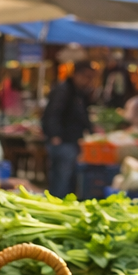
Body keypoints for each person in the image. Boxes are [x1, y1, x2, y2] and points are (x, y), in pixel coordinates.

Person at [42, 62, 96, 198]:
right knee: (61, 180)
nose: (89, 81)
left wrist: (91, 130)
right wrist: (54, 135)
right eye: (87, 77)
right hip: (63, 142)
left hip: (72, 141)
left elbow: (82, 115)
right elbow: (52, 113)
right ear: (77, 75)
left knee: (69, 180)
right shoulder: (64, 90)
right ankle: (56, 205)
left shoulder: (79, 93)